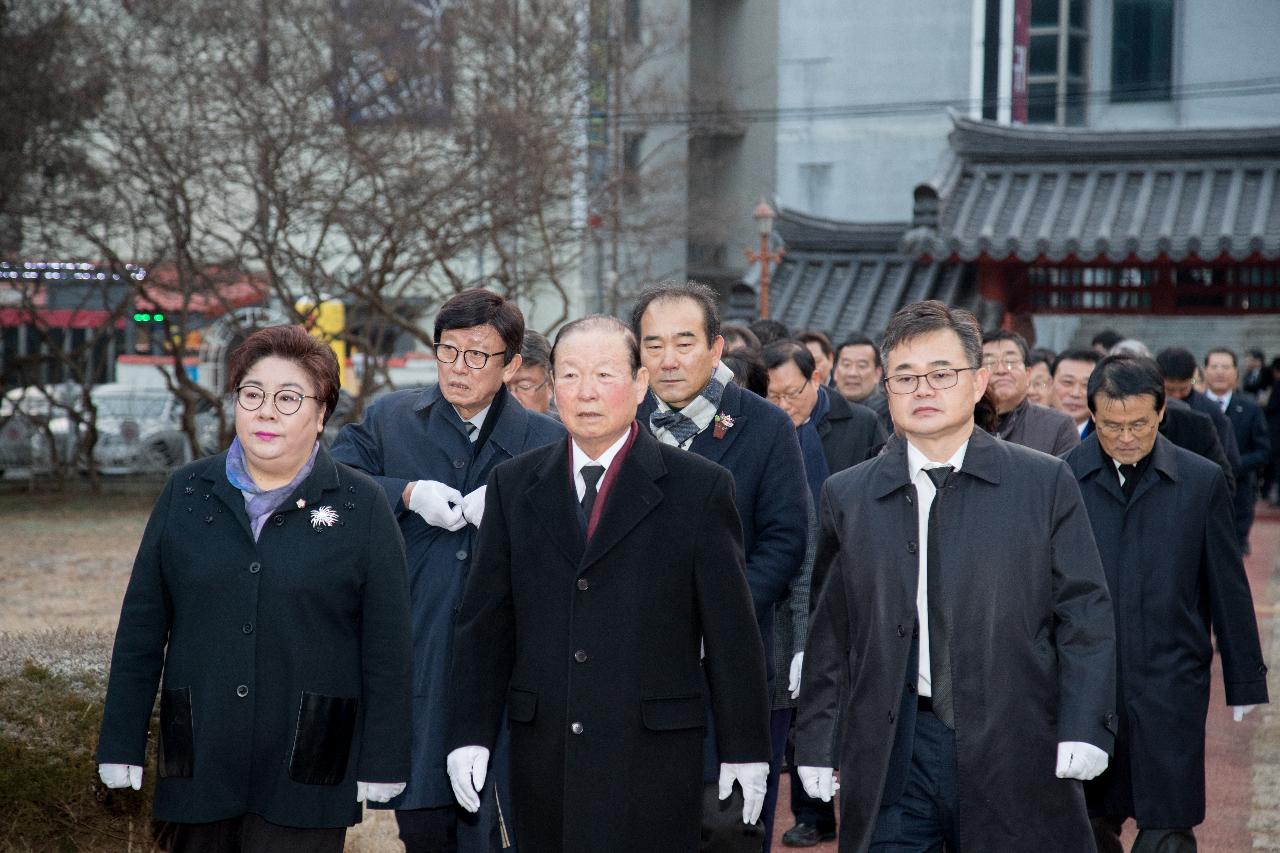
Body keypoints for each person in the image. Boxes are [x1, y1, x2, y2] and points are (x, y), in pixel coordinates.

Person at [795, 300, 1117, 852]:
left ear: (978, 382)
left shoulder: (1042, 483)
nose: (923, 389)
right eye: (905, 377)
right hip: (896, 744)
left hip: (1015, 736)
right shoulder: (848, 495)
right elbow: (832, 633)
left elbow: (1085, 614)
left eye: (942, 374)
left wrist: (1085, 723)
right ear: (886, 389)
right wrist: (818, 741)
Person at [445, 315, 772, 853]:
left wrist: (745, 749)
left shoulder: (699, 488)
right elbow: (485, 624)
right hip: (545, 745)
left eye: (604, 375)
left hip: (652, 749)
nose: (586, 392)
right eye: (570, 376)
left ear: (640, 384)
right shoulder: (513, 485)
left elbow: (731, 632)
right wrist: (469, 734)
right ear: (552, 387)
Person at [97, 325, 413, 852]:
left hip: (309, 759)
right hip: (200, 755)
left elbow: (388, 648)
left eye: (289, 399)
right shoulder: (187, 492)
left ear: (321, 414)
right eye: (252, 394)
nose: (267, 411)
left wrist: (384, 758)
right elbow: (141, 632)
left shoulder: (362, 506)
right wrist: (120, 743)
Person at [330, 289, 565, 853]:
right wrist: (405, 492)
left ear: (511, 366)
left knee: (504, 811)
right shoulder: (392, 418)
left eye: (478, 355)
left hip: (511, 645)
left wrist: (516, 508)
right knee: (427, 815)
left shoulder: (546, 438)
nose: (459, 368)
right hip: (421, 637)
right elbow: (330, 487)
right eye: (448, 351)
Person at [1063, 355, 1269, 853]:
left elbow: (1227, 584)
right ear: (1092, 416)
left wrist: (1244, 679)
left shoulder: (1199, 481)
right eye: (1112, 425)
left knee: (1168, 824)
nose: (1127, 436)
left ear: (1161, 414)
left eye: (1139, 423)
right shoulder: (1063, 478)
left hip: (1170, 676)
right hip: (1087, 682)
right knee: (1083, 819)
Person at [633, 281, 808, 851]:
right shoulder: (620, 420)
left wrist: (716, 614)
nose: (669, 359)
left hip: (728, 661)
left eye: (685, 342)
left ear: (715, 347)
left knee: (728, 825)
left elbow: (783, 541)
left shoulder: (764, 426)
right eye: (653, 344)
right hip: (633, 664)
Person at [761, 339, 884, 849]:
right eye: (773, 396)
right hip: (789, 577)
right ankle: (813, 813)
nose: (783, 405)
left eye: (792, 393)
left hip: (849, 572)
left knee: (849, 701)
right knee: (800, 703)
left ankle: (857, 805)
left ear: (816, 381)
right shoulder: (766, 432)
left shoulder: (859, 425)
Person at [1204, 347, 1271, 554]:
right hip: (1200, 497)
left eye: (1225, 367)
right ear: (1204, 371)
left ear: (1236, 373)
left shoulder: (1250, 408)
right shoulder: (1192, 407)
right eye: (1214, 366)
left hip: (1238, 497)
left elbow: (1263, 451)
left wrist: (1235, 465)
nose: (1220, 372)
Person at [981, 330, 1079, 455]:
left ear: (1028, 374)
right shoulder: (963, 424)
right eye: (989, 363)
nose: (1001, 370)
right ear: (977, 376)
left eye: (1010, 361)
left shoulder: (1058, 426)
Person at [1156, 347, 1242, 479]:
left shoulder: (1209, 410)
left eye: (1183, 389)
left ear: (1192, 378)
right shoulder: (1151, 408)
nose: (1176, 395)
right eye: (1170, 390)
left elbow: (1227, 461)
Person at [832, 333, 893, 434]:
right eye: (846, 364)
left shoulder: (892, 412)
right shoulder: (819, 408)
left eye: (862, 366)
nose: (852, 373)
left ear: (877, 373)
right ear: (835, 371)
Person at [1050, 348, 1101, 438]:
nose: (1075, 393)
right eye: (1067, 382)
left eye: (1086, 385)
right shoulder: (1033, 428)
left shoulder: (1105, 439)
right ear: (1050, 383)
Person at [507, 329, 554, 415]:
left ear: (550, 386)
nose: (511, 399)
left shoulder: (571, 427)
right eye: (503, 389)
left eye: (524, 386)